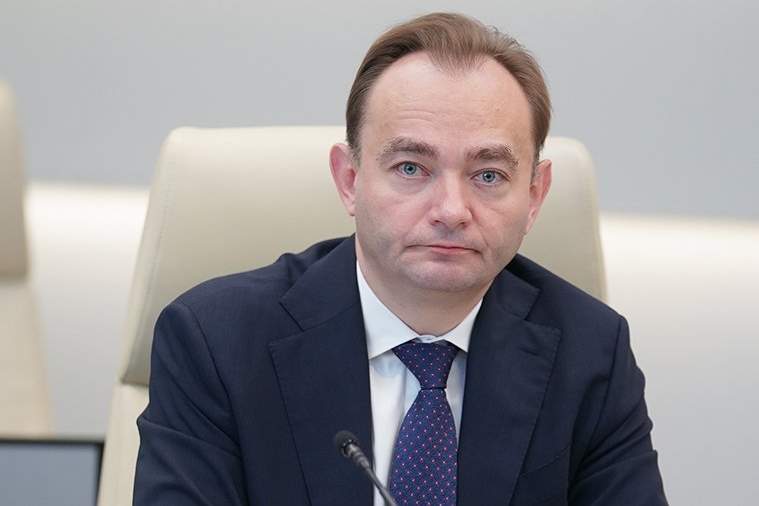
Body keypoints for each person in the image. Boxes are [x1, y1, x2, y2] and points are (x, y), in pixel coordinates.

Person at [133, 12, 668, 506]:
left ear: (534, 195)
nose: (452, 210)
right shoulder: (217, 343)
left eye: (488, 175)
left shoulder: (591, 355)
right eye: (411, 168)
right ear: (349, 180)